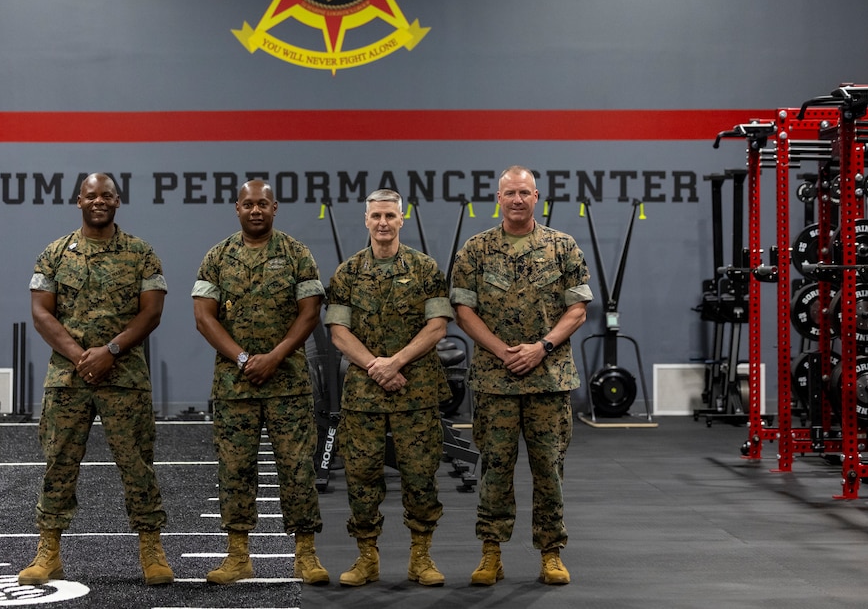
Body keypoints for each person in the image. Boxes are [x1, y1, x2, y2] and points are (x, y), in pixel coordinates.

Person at [19, 172, 173, 587]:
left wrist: (111, 352)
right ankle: (48, 552)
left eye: (106, 195)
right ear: (79, 201)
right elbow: (41, 312)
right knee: (58, 466)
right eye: (91, 195)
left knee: (138, 466)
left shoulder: (141, 253)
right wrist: (80, 357)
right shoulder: (54, 253)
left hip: (125, 378)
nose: (99, 201)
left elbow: (151, 312)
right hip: (68, 381)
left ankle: (151, 551)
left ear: (118, 202)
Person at [450, 165, 593, 587]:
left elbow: (578, 309)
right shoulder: (475, 250)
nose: (517, 199)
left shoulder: (562, 246)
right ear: (498, 198)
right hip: (496, 382)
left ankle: (551, 553)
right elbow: (463, 310)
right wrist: (500, 350)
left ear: (537, 197)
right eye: (509, 192)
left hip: (549, 379)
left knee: (549, 467)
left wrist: (541, 347)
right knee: (495, 468)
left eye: (524, 193)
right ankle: (490, 553)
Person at [191, 180, 330, 585]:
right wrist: (243, 357)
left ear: (275, 208)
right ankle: (238, 556)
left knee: (298, 469)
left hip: (287, 383)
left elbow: (310, 313)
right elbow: (204, 317)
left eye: (263, 204)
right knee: (234, 470)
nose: (256, 210)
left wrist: (275, 356)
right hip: (236, 386)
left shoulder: (296, 253)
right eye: (248, 204)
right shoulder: (217, 257)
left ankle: (305, 555)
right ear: (237, 208)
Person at [324, 189, 453, 588]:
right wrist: (375, 367)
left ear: (403, 219)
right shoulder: (347, 273)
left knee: (420, 475)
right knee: (362, 477)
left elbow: (437, 326)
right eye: (376, 215)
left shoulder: (426, 269)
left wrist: (395, 363)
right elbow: (338, 332)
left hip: (415, 391)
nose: (383, 223)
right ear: (366, 220)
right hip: (364, 395)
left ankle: (421, 558)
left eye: (390, 216)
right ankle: (367, 558)